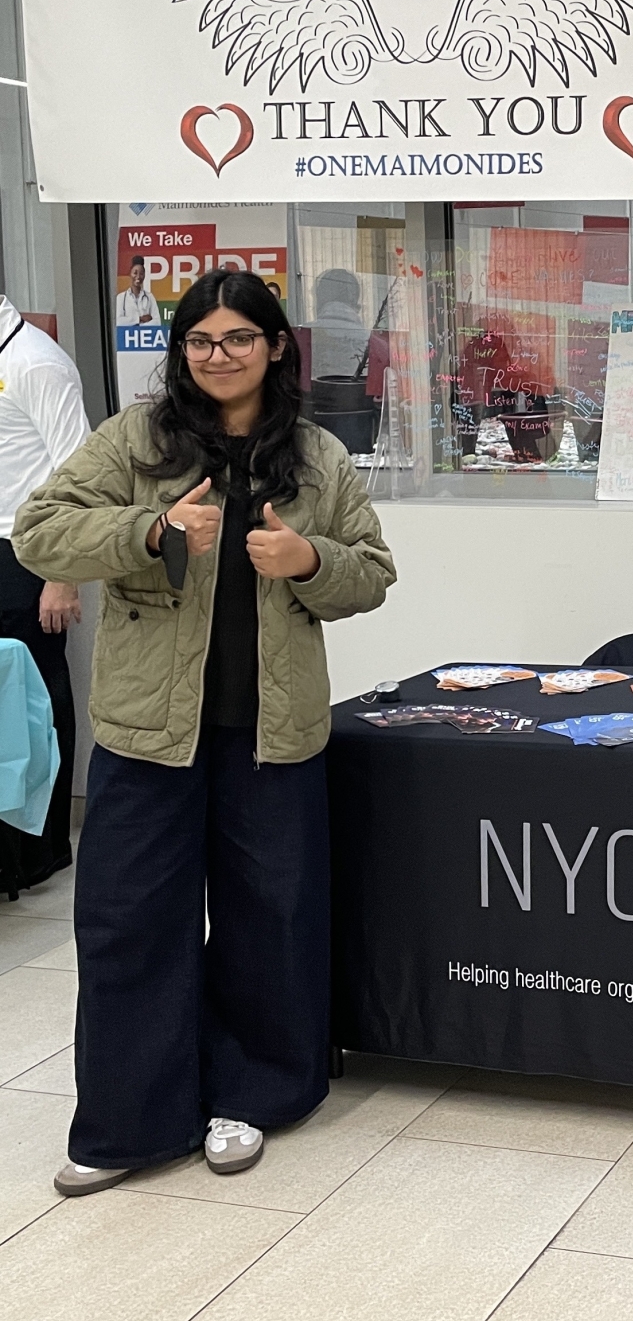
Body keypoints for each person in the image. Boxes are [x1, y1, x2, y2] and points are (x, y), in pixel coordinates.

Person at [12, 268, 396, 1195]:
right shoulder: (134, 441)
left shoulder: (315, 456)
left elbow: (372, 572)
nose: (217, 356)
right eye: (199, 341)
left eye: (236, 339)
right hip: (150, 734)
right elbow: (38, 532)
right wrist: (149, 532)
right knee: (127, 921)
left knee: (271, 920)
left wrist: (309, 558)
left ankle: (252, 1097)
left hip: (273, 731)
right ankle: (127, 1120)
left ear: (274, 348)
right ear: (181, 353)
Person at [0, 297, 90, 896]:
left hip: (26, 552)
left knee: (38, 700)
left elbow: (80, 473)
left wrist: (63, 574)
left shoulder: (37, 362)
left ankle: (44, 848)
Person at [115, 257, 159, 327]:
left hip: (146, 336)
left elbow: (157, 322)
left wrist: (137, 326)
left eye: (141, 274)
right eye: (135, 273)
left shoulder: (150, 297)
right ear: (130, 274)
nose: (138, 276)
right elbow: (118, 322)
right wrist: (139, 319)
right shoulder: (121, 298)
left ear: (144, 276)